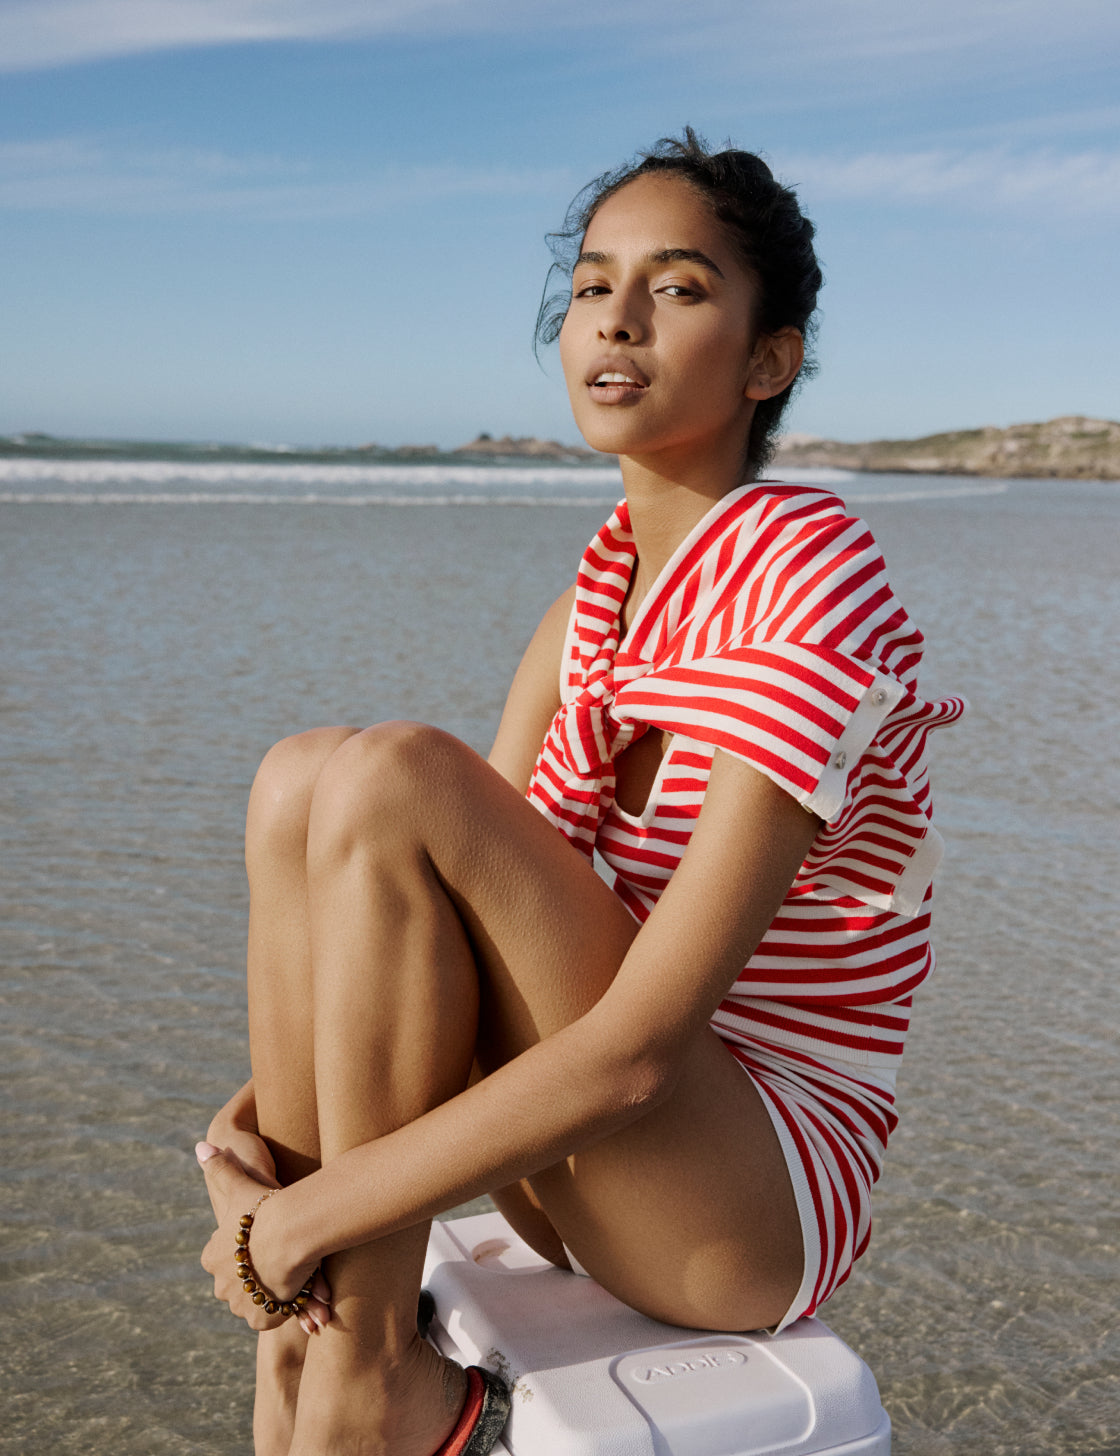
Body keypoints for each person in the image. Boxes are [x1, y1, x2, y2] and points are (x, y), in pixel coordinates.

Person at [196, 129, 964, 1456]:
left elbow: (645, 1047)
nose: (615, 314)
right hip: (588, 1169)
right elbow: (420, 924)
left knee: (393, 773)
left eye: (677, 286)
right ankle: (303, 1355)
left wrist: (314, 1213)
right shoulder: (590, 606)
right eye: (593, 284)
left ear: (768, 359)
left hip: (745, 1198)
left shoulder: (809, 568)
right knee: (302, 778)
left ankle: (369, 1380)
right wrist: (262, 1133)